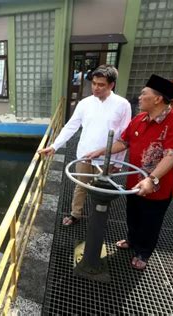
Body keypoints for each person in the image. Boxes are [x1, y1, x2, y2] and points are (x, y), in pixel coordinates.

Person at [86, 74, 173, 270]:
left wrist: (152, 179)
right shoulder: (140, 119)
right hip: (134, 181)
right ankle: (132, 240)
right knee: (133, 214)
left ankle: (143, 252)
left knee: (151, 221)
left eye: (144, 94)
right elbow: (124, 142)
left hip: (157, 187)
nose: (140, 97)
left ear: (158, 99)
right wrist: (101, 151)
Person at [38, 64, 131, 226]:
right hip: (84, 154)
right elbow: (71, 126)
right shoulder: (85, 103)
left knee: (102, 190)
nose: (96, 88)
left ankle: (98, 217)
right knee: (81, 186)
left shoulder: (122, 105)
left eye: (101, 84)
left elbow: (125, 137)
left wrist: (118, 162)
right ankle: (75, 214)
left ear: (111, 85)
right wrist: (54, 146)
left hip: (107, 159)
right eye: (94, 83)